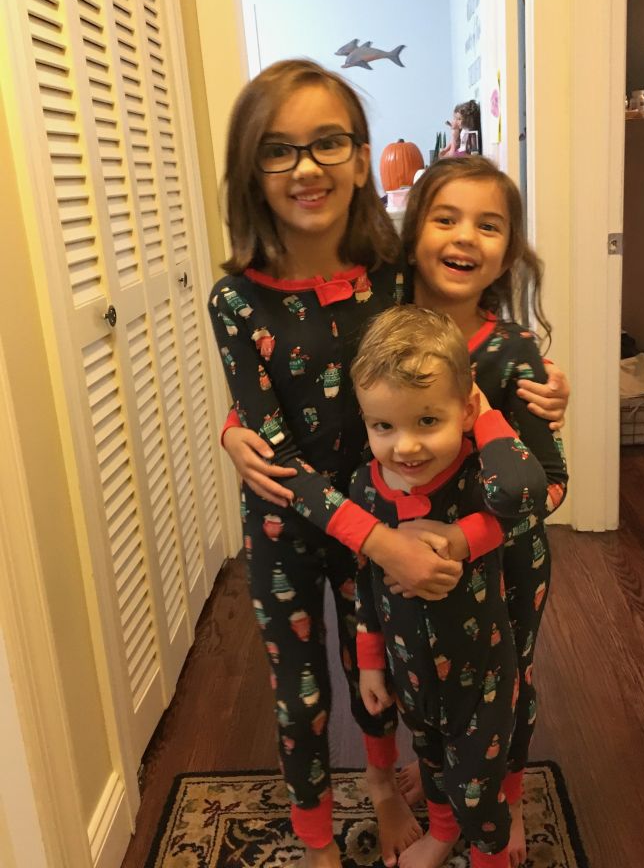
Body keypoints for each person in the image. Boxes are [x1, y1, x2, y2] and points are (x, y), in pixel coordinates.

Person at [207, 59, 548, 868]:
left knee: (388, 666)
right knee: (300, 691)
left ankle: (388, 788)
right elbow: (272, 438)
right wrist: (233, 427)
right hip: (292, 523)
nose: (307, 168)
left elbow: (457, 344)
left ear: (362, 160)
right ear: (251, 170)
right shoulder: (236, 301)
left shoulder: (392, 275)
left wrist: (537, 384)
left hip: (398, 501)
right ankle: (316, 841)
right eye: (279, 150)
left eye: (328, 143)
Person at [395, 156, 568, 868]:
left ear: (508, 252)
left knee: (507, 685)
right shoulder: (384, 337)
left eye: (488, 225)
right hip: (408, 558)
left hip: (507, 565)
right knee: (422, 684)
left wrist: (468, 539)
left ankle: (507, 794)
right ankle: (442, 802)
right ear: (412, 235)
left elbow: (552, 484)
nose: (465, 236)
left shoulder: (516, 353)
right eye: (446, 218)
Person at [351, 305, 528, 868]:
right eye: (384, 426)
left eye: (427, 421)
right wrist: (371, 664)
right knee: (429, 759)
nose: (406, 447)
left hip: (482, 675)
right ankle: (442, 831)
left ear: (466, 410)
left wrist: (460, 538)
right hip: (409, 672)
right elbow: (365, 584)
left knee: (479, 789)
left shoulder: (482, 478)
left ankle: (487, 852)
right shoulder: (365, 488)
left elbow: (519, 507)